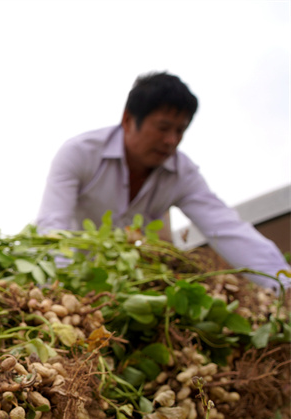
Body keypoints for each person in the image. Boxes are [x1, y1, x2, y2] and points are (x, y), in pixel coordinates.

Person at [35, 71, 290, 291]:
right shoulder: (79, 154)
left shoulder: (182, 174)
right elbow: (52, 228)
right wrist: (62, 290)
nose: (171, 140)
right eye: (163, 127)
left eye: (180, 130)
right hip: (69, 276)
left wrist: (283, 284)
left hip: (132, 286)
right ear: (127, 120)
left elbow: (227, 229)